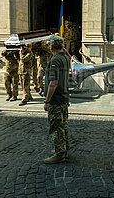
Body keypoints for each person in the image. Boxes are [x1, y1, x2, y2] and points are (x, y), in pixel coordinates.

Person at [44, 35, 70, 164]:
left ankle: (60, 154)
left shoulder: (55, 60)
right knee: (63, 125)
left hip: (56, 99)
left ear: (52, 46)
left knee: (56, 127)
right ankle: (64, 149)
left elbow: (53, 82)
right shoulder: (65, 58)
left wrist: (47, 101)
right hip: (64, 97)